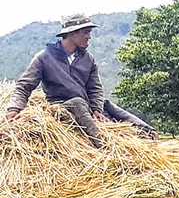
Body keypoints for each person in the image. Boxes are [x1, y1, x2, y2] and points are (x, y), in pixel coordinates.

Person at [5, 14, 157, 146]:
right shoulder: (44, 57)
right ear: (71, 33)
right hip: (62, 108)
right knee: (77, 102)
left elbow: (95, 89)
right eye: (85, 32)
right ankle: (104, 146)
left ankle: (148, 133)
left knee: (108, 105)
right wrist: (14, 109)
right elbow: (24, 86)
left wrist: (97, 109)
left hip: (87, 107)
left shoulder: (88, 59)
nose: (89, 37)